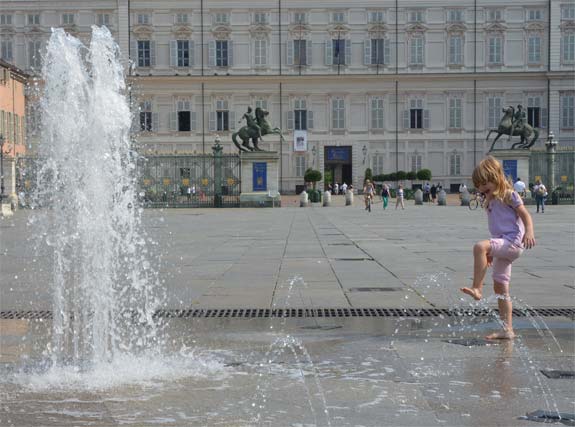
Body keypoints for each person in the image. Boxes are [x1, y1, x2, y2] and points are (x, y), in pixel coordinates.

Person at [460, 156, 535, 340]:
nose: (482, 188)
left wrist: (530, 232)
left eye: (485, 183)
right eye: (479, 185)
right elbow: (498, 225)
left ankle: (477, 288)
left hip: (513, 241)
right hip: (503, 244)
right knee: (500, 288)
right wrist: (492, 252)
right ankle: (507, 329)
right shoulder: (490, 201)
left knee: (479, 247)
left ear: (497, 177)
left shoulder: (509, 194)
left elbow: (524, 214)